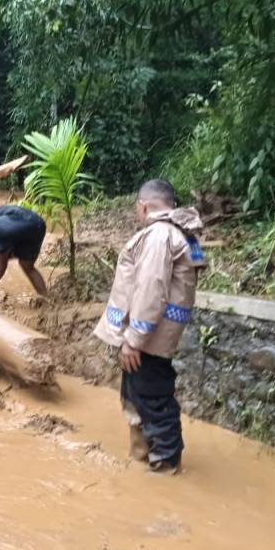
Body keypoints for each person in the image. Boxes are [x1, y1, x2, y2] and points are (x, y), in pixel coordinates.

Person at [93, 179, 205, 473]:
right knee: (136, 396)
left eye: (137, 209)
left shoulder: (159, 236)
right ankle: (141, 458)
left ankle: (166, 468)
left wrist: (134, 340)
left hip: (148, 339)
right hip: (156, 336)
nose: (136, 214)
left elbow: (150, 289)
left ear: (144, 206)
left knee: (152, 400)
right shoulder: (179, 234)